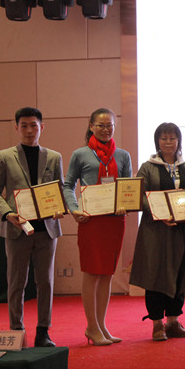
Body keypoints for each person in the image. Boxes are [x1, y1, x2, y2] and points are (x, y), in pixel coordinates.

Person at [0, 107, 67, 347]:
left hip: (46, 230)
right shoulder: (4, 157)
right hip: (17, 229)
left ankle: (43, 332)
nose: (30, 130)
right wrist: (7, 213)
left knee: (46, 282)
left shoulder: (53, 157)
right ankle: (16, 332)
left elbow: (60, 189)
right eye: (24, 126)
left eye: (34, 125)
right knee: (16, 283)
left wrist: (60, 207)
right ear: (16, 128)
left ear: (42, 127)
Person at [64, 108, 132, 346]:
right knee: (92, 272)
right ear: (91, 126)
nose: (105, 129)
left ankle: (101, 325)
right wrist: (74, 209)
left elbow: (128, 187)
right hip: (91, 221)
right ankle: (91, 326)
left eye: (110, 125)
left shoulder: (122, 155)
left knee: (107, 274)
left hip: (114, 221)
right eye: (101, 125)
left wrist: (126, 204)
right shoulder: (80, 154)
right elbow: (68, 185)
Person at [129, 122, 185, 341]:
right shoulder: (147, 167)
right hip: (156, 230)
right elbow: (138, 195)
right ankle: (157, 324)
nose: (168, 142)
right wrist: (159, 212)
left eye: (172, 138)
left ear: (179, 141)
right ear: (157, 141)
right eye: (164, 138)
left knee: (180, 273)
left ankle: (173, 321)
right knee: (154, 274)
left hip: (182, 229)